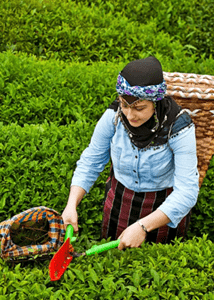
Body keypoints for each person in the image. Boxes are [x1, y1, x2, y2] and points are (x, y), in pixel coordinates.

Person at [61, 56, 199, 250]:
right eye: (125, 105)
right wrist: (71, 205)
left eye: (139, 108)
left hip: (162, 208)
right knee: (113, 262)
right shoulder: (114, 117)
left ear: (155, 102)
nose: (130, 115)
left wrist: (143, 227)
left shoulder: (178, 127)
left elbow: (187, 191)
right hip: (120, 201)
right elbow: (91, 161)